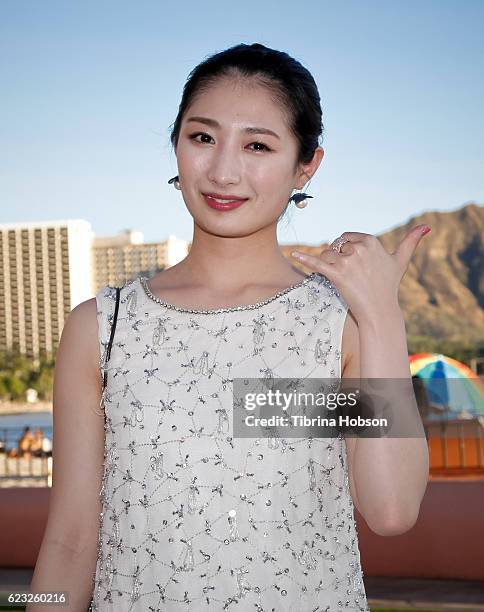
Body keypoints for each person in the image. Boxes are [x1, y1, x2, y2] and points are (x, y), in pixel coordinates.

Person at [28, 43, 430, 611]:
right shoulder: (103, 327)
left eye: (258, 145)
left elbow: (390, 512)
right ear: (176, 145)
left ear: (306, 165)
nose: (223, 171)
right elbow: (67, 542)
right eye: (202, 137)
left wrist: (382, 316)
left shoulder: (336, 326)